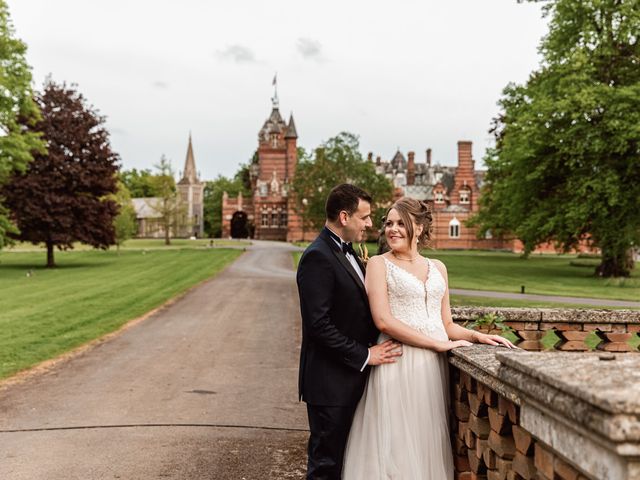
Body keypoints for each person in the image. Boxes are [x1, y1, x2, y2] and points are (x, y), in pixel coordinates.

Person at [342, 197, 515, 479]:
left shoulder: (438, 268)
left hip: (431, 370)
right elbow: (383, 320)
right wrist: (437, 344)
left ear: (420, 228)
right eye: (388, 223)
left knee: (425, 441)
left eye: (401, 223)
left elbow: (445, 323)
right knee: (395, 445)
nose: (392, 230)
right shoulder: (377, 264)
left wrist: (476, 336)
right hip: (397, 363)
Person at [297, 184, 403, 480]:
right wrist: (366, 354)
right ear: (344, 217)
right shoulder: (317, 257)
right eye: (365, 217)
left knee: (346, 463)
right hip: (330, 383)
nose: (370, 225)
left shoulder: (349, 253)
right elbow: (318, 326)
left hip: (349, 380)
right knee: (326, 466)